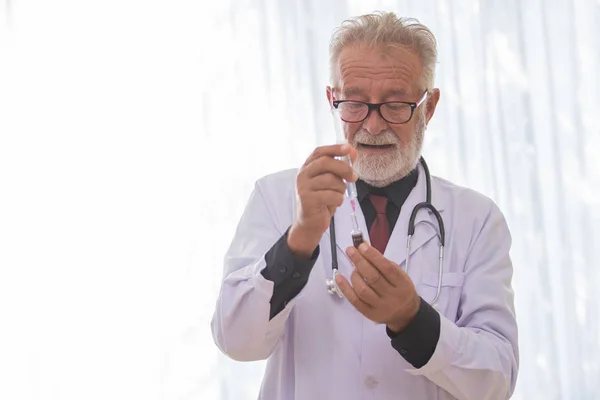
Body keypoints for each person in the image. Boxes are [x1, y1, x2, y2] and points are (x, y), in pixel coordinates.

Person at [211, 11, 518, 400]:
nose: (372, 126)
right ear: (332, 99)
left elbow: (496, 381)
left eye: (395, 104)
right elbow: (236, 341)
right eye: (354, 102)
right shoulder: (276, 197)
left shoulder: (477, 220)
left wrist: (412, 317)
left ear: (429, 106)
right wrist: (299, 241)